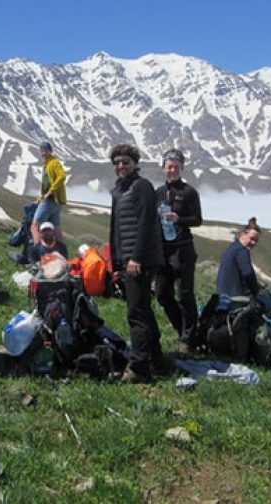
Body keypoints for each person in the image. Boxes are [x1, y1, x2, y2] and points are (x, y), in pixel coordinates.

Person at [108, 144, 165, 383]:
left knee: (136, 312)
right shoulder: (120, 190)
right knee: (143, 309)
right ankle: (156, 359)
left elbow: (146, 224)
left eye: (125, 162)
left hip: (140, 260)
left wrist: (136, 258)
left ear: (135, 163)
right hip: (127, 260)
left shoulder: (141, 187)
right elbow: (117, 229)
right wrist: (115, 261)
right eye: (117, 163)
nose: (121, 166)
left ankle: (140, 367)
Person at [153, 149, 202, 355]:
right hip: (163, 249)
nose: (171, 170)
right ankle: (183, 329)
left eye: (175, 166)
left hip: (183, 248)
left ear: (181, 168)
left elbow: (198, 219)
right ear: (163, 168)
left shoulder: (189, 192)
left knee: (185, 294)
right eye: (168, 166)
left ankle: (187, 340)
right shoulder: (158, 193)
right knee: (163, 294)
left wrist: (178, 219)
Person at [216, 217, 263, 306]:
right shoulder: (241, 251)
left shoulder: (232, 248)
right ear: (242, 234)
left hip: (223, 295)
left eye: (256, 241)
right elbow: (248, 273)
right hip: (235, 297)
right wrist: (257, 290)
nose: (253, 243)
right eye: (251, 238)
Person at [30, 140, 67, 245]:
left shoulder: (53, 163)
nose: (43, 153)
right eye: (41, 150)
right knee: (56, 230)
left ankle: (37, 253)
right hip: (56, 203)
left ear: (50, 151)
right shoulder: (47, 164)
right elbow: (46, 186)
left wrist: (50, 192)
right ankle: (62, 253)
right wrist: (39, 199)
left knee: (35, 227)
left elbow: (62, 176)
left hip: (50, 201)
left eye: (45, 150)